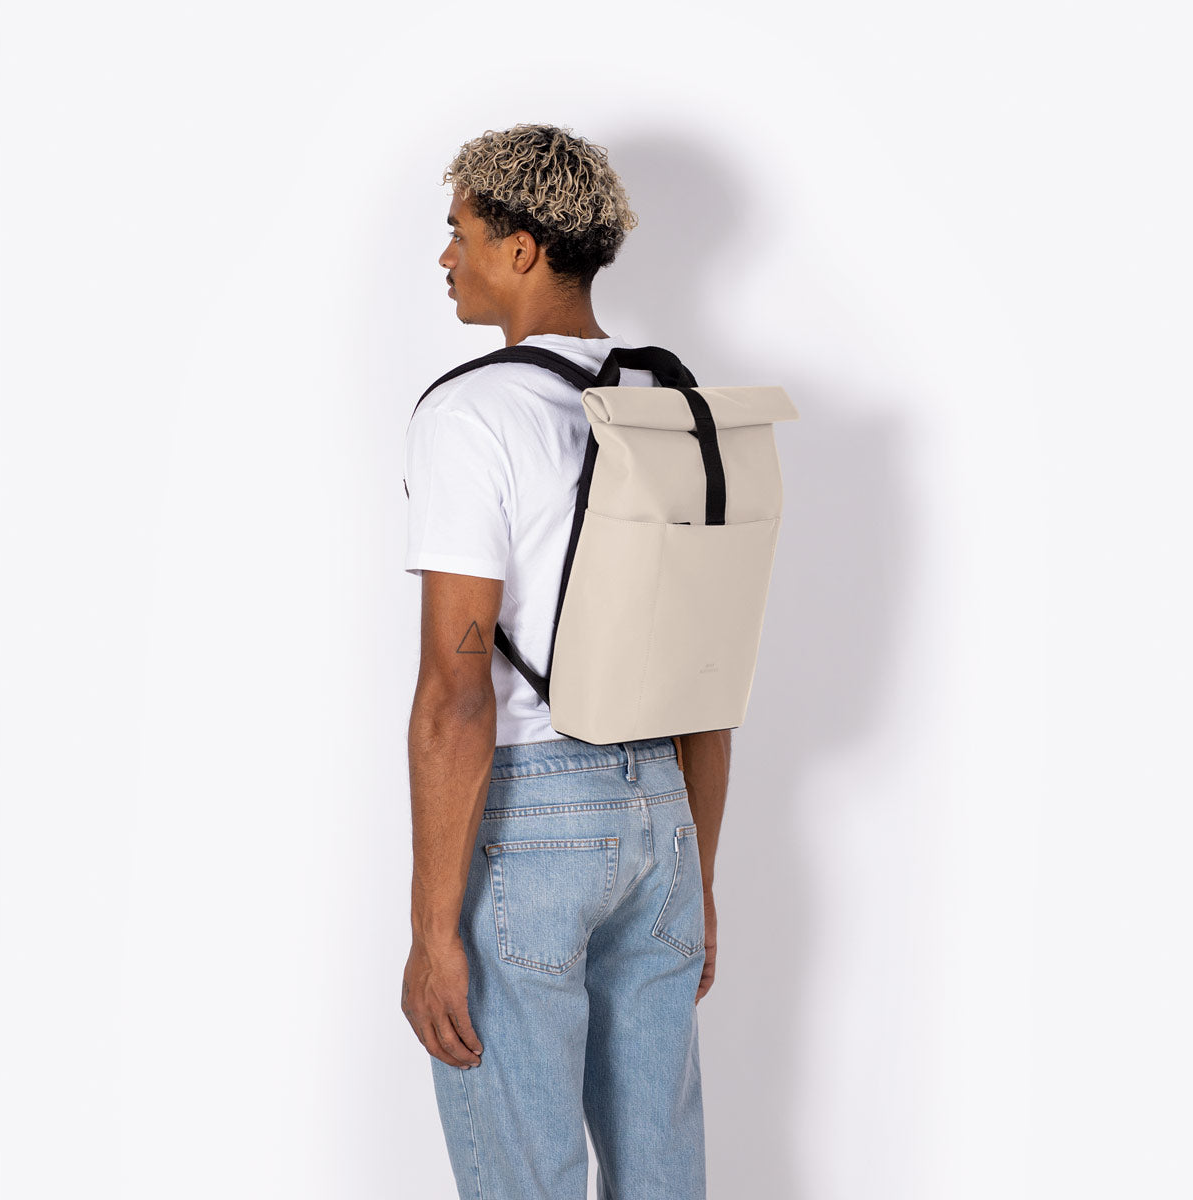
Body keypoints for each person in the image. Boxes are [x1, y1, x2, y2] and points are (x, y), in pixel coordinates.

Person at [400, 122, 731, 1200]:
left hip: (533, 820)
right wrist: (698, 879)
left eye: (460, 234)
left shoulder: (473, 414)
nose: (445, 256)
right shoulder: (673, 409)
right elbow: (709, 670)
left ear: (522, 248)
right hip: (663, 812)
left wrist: (433, 932)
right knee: (662, 1174)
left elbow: (455, 694)